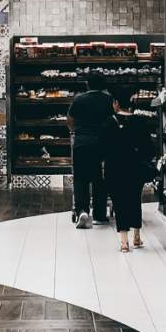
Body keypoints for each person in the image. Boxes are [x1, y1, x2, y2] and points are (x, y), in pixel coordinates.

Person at [107, 104, 156, 252]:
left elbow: (102, 147)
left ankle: (123, 242)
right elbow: (149, 148)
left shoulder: (109, 123)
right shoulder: (140, 122)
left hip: (115, 168)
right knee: (135, 200)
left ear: (115, 103)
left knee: (120, 203)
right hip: (136, 167)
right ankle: (136, 237)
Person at [67, 74, 114, 228]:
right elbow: (113, 119)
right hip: (102, 143)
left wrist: (75, 131)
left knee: (80, 178)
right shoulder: (108, 99)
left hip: (81, 143)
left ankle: (82, 210)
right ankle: (99, 215)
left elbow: (70, 119)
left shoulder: (78, 99)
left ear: (87, 84)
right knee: (99, 179)